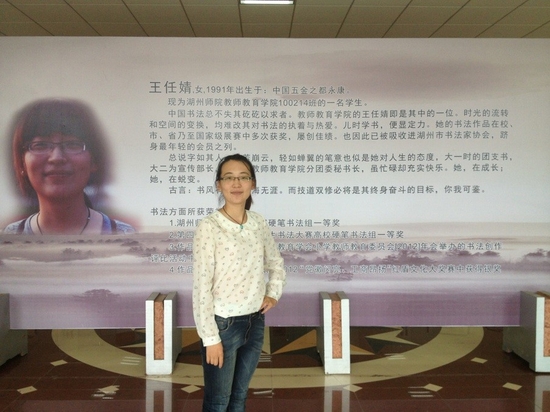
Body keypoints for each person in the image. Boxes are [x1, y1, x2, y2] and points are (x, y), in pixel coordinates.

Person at [192, 153, 286, 412]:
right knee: (218, 401)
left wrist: (273, 293)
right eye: (229, 178)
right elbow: (201, 286)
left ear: (252, 183)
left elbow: (275, 262)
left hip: (255, 321)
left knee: (239, 397)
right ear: (218, 185)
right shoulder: (209, 226)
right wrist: (210, 338)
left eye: (243, 177)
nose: (236, 184)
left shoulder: (258, 222)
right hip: (223, 325)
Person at [3, 98, 135, 235]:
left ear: (94, 160)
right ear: (22, 163)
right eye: (40, 145)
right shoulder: (9, 236)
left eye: (72, 144)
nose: (56, 158)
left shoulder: (125, 235)